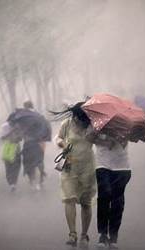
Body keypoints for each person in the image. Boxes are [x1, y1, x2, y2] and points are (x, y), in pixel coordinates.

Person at [53, 102, 96, 248]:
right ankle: (72, 234)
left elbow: (100, 142)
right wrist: (61, 143)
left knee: (86, 202)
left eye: (82, 118)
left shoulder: (92, 126)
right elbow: (58, 138)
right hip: (69, 166)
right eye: (77, 117)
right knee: (69, 199)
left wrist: (96, 136)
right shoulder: (67, 123)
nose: (79, 121)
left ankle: (84, 234)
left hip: (87, 168)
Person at [87, 132, 131, 249]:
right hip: (102, 164)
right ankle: (102, 234)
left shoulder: (124, 123)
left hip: (122, 167)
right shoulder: (98, 121)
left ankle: (114, 236)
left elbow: (127, 140)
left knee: (117, 202)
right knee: (104, 196)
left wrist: (118, 137)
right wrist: (103, 141)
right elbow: (89, 137)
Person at [21, 101, 49, 191]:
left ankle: (32, 179)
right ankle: (40, 178)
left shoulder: (24, 117)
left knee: (28, 161)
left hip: (29, 142)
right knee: (39, 160)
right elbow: (45, 127)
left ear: (25, 107)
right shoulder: (39, 116)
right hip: (39, 141)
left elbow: (22, 130)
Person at [0, 121, 22, 192]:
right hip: (7, 148)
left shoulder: (19, 126)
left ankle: (13, 183)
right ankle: (10, 182)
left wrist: (17, 136)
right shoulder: (4, 126)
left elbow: (21, 138)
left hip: (16, 148)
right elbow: (2, 137)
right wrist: (11, 131)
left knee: (16, 166)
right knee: (8, 166)